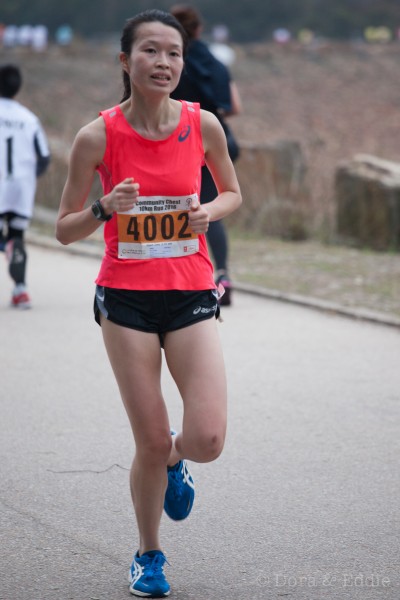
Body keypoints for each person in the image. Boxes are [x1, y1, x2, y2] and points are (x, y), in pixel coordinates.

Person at [56, 9, 241, 598]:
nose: (164, 62)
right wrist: (104, 207)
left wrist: (207, 211)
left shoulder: (202, 123)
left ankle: (176, 461)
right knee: (151, 439)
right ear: (125, 60)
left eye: (174, 53)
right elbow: (64, 228)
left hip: (189, 292)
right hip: (126, 301)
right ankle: (148, 553)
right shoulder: (97, 136)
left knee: (207, 439)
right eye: (151, 51)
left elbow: (232, 193)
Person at [170, 4, 242, 306]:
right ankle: (222, 274)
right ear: (199, 30)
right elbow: (234, 107)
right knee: (211, 209)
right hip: (216, 140)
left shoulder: (172, 63)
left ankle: (179, 277)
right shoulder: (216, 62)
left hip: (178, 143)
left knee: (173, 207)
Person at [0, 64, 50, 308]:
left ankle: (5, 244)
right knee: (17, 236)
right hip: (21, 187)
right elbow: (44, 157)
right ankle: (20, 291)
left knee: (6, 239)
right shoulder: (29, 119)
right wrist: (30, 178)